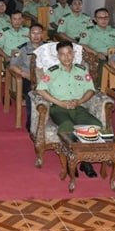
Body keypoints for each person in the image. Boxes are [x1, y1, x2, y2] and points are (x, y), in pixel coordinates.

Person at [36, 40, 99, 178]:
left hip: (78, 107)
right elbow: (40, 90)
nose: (66, 57)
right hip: (59, 108)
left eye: (69, 53)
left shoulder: (82, 70)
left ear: (74, 54)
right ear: (58, 56)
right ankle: (72, 162)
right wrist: (59, 102)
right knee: (67, 126)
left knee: (94, 125)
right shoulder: (52, 71)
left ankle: (85, 161)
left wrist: (79, 101)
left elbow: (91, 89)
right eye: (62, 54)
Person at [9, 23, 45, 131]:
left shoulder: (48, 48)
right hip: (28, 78)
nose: (36, 36)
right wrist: (25, 74)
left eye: (38, 33)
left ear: (42, 35)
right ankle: (31, 119)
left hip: (46, 78)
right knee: (31, 90)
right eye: (33, 33)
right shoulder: (21, 49)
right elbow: (12, 65)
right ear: (29, 34)